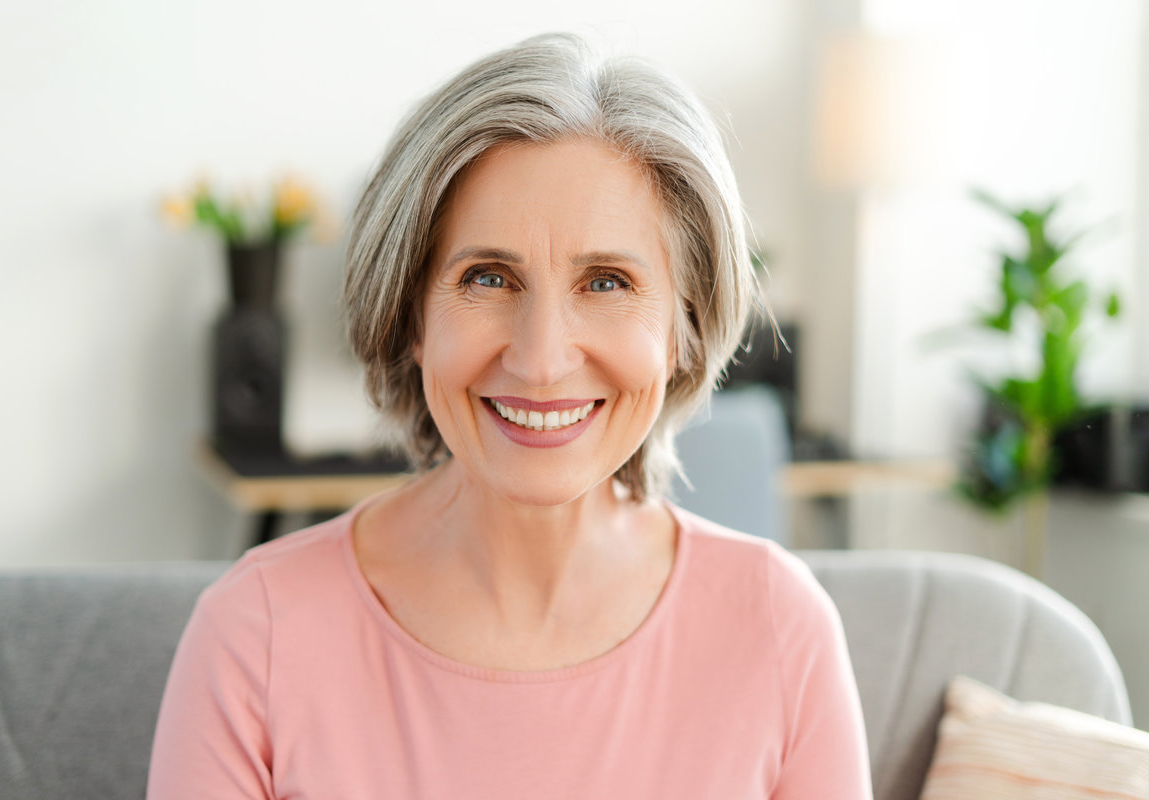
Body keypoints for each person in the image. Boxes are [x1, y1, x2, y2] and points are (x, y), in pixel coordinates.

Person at [147, 33, 871, 799]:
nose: (541, 359)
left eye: (606, 282)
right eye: (488, 277)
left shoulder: (779, 628)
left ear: (682, 330)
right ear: (412, 317)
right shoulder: (254, 635)